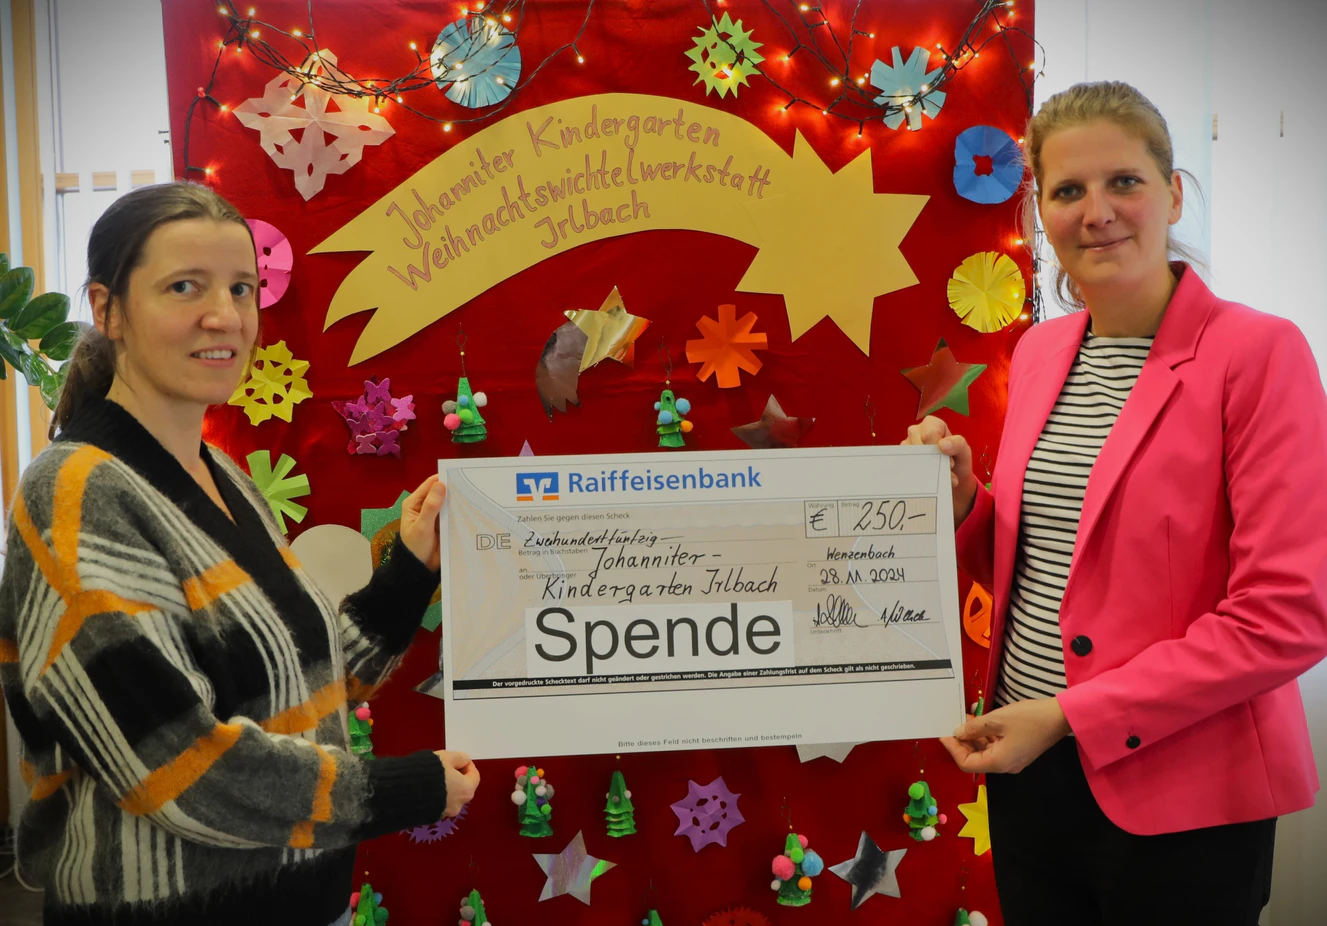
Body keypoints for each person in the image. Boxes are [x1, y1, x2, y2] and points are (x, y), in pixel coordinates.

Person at [0, 182, 480, 926]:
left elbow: (298, 688)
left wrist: (409, 570)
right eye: (184, 287)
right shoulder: (76, 494)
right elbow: (175, 764)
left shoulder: (220, 476)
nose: (224, 316)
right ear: (107, 309)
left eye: (241, 288)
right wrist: (403, 790)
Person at [905, 81, 1327, 924]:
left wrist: (1070, 716)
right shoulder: (1040, 351)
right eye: (1067, 190)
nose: (1096, 212)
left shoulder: (1257, 353)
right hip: (1028, 767)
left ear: (1172, 194)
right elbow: (1046, 561)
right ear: (1041, 213)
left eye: (1123, 182)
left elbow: (1286, 614)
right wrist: (964, 503)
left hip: (1184, 793)